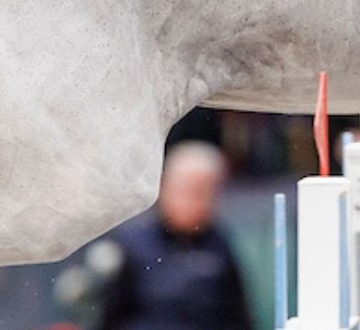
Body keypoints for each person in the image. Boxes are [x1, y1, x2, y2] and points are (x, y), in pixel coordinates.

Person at [95, 141, 250, 330]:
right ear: (165, 188)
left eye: (203, 191)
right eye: (186, 190)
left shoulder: (220, 245)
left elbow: (238, 317)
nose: (194, 201)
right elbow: (107, 317)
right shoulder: (131, 243)